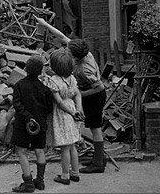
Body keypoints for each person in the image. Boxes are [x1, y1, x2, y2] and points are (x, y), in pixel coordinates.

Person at [35, 17, 107, 173]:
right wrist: (45, 24)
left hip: (94, 96)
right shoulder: (84, 53)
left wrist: (78, 93)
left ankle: (99, 163)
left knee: (95, 128)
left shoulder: (84, 69)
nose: (65, 50)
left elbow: (99, 87)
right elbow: (62, 36)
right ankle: (99, 156)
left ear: (75, 57)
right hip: (87, 93)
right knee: (92, 126)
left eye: (68, 51)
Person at [11, 55, 54, 192]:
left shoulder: (19, 85)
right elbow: (49, 108)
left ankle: (28, 183)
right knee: (39, 150)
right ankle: (40, 181)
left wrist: (28, 117)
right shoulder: (45, 89)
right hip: (40, 124)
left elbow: (17, 105)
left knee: (21, 151)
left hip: (23, 123)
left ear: (25, 69)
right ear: (41, 72)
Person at [42, 48, 84, 185]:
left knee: (65, 147)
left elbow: (59, 102)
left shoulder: (53, 80)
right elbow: (77, 94)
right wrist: (78, 109)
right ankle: (75, 173)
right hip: (72, 108)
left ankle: (65, 175)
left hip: (63, 113)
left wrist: (72, 113)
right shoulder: (72, 78)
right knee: (73, 146)